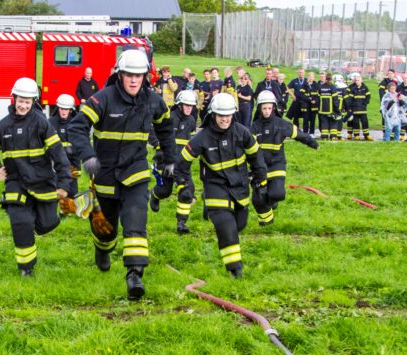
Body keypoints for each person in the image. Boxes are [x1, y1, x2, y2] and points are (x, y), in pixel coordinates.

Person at [68, 49, 175, 301]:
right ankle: (102, 250)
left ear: (145, 77)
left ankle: (134, 275)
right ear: (120, 75)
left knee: (135, 221)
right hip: (104, 174)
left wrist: (170, 158)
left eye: (139, 75)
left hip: (135, 173)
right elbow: (77, 127)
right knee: (106, 231)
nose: (134, 80)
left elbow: (166, 127)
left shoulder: (153, 100)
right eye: (129, 75)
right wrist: (88, 156)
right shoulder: (103, 99)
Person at [0, 77, 72, 276]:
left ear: (34, 102)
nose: (23, 105)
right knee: (20, 222)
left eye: (27, 101)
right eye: (20, 100)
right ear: (13, 99)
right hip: (16, 183)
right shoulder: (3, 126)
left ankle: (48, 218)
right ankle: (26, 269)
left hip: (43, 182)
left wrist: (65, 183)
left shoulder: (42, 124)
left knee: (48, 223)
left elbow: (59, 154)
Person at [175, 93, 267, 278]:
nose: (225, 119)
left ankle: (210, 211)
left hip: (239, 186)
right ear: (213, 115)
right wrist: (183, 185)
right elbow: (181, 163)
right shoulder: (202, 138)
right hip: (215, 185)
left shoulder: (243, 133)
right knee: (227, 227)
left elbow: (256, 158)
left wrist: (261, 181)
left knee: (239, 224)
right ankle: (235, 270)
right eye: (220, 115)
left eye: (228, 115)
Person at [250, 90, 318, 225]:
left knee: (277, 194)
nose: (267, 111)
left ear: (274, 107)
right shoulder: (254, 127)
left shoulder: (281, 124)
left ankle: (272, 201)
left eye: (269, 108)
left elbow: (299, 134)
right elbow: (246, 148)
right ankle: (266, 221)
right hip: (260, 167)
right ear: (259, 108)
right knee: (259, 197)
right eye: (264, 108)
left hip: (277, 165)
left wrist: (313, 143)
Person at [149, 90, 197, 234]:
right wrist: (159, 146)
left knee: (187, 191)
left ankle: (181, 223)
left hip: (182, 164)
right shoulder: (169, 117)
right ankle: (155, 194)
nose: (189, 108)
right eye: (186, 105)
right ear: (180, 105)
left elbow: (192, 141)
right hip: (167, 161)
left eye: (191, 106)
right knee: (165, 191)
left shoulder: (192, 121)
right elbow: (151, 132)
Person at [48, 94, 80, 197]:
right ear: (58, 108)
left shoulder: (75, 124)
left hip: (72, 162)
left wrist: (77, 168)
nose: (63, 111)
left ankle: (68, 210)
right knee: (55, 188)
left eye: (66, 109)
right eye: (62, 108)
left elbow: (78, 146)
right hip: (55, 163)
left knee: (73, 189)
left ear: (71, 110)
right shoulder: (50, 123)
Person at [346, 74, 373, 141]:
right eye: (356, 80)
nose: (357, 81)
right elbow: (350, 99)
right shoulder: (353, 89)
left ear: (361, 80)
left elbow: (368, 96)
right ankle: (356, 135)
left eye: (358, 80)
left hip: (363, 109)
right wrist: (351, 106)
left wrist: (365, 103)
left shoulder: (365, 88)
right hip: (355, 110)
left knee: (365, 122)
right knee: (355, 123)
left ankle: (366, 135)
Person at [317, 73, 340, 140]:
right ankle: (333, 136)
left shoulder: (321, 87)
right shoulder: (333, 87)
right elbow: (335, 100)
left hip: (322, 110)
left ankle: (324, 137)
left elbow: (318, 99)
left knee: (324, 123)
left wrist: (318, 108)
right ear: (331, 79)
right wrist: (337, 110)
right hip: (331, 110)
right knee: (333, 122)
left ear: (325, 79)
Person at [300, 72, 319, 136]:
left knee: (313, 120)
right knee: (306, 120)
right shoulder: (304, 85)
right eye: (310, 76)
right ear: (308, 77)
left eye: (312, 76)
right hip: (306, 105)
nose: (311, 78)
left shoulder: (316, 85)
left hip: (314, 105)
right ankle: (305, 133)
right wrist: (310, 99)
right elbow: (302, 95)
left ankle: (312, 133)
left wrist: (315, 100)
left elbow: (318, 95)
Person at [379, 69, 397, 135]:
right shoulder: (383, 82)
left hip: (394, 105)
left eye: (391, 73)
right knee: (385, 119)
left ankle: (392, 134)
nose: (390, 74)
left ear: (394, 74)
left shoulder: (396, 82)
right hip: (386, 104)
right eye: (389, 73)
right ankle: (385, 133)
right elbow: (381, 94)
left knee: (393, 118)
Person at [333, 74, 348, 140]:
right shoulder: (344, 87)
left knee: (334, 122)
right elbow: (346, 99)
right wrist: (348, 108)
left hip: (334, 108)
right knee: (339, 122)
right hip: (341, 108)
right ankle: (338, 136)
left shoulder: (333, 87)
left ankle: (334, 136)